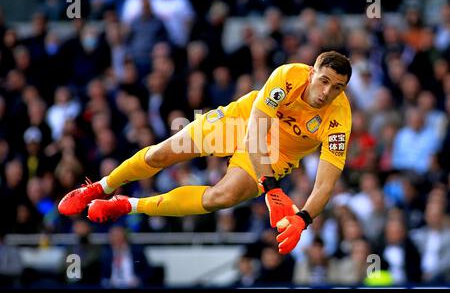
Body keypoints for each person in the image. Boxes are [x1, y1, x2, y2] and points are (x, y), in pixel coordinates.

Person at [58, 50, 352, 255]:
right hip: (243, 121)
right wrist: (271, 188)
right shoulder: (287, 76)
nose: (327, 93)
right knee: (162, 154)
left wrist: (303, 218)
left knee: (220, 198)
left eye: (337, 88)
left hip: (281, 153)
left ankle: (128, 205)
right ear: (312, 73)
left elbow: (326, 183)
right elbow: (255, 131)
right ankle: (100, 187)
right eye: (324, 81)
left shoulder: (339, 119)